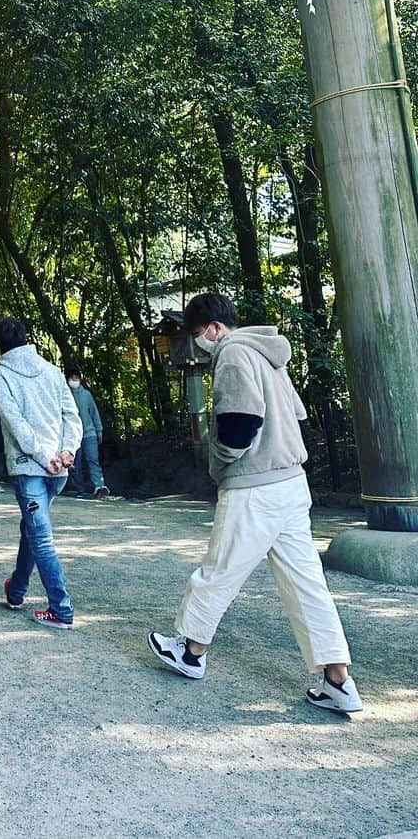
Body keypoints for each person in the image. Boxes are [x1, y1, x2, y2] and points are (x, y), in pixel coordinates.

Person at [148, 292, 363, 714]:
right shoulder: (270, 356)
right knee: (307, 586)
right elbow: (298, 416)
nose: (200, 345)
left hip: (253, 485)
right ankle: (337, 679)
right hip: (290, 482)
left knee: (219, 570)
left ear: (213, 328)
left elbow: (238, 427)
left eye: (197, 335)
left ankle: (190, 653)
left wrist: (218, 462)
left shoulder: (232, 355)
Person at [0, 317, 82, 629]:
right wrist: (67, 450)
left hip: (31, 467)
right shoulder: (52, 371)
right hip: (58, 468)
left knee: (41, 537)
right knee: (32, 528)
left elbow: (17, 425)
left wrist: (45, 457)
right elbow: (72, 415)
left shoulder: (0, 375)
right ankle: (16, 589)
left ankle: (62, 609)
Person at [66, 369, 109, 498]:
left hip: (89, 433)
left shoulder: (87, 395)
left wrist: (99, 430)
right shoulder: (65, 395)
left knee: (93, 460)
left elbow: (94, 413)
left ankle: (99, 486)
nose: (74, 380)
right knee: (75, 464)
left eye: (76, 377)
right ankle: (80, 489)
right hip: (72, 435)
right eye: (71, 378)